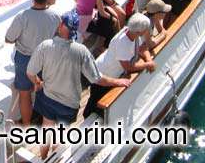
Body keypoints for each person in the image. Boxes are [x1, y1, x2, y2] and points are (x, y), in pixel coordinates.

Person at [27, 10, 130, 158]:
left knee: (46, 128)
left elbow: (30, 72)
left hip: (48, 97)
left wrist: (38, 83)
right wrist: (118, 81)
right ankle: (54, 158)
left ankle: (43, 158)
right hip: (68, 104)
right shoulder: (82, 51)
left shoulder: (45, 45)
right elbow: (96, 78)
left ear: (62, 25)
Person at [5, 0, 60, 125]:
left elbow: (8, 39)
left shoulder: (22, 16)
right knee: (46, 93)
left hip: (25, 59)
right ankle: (46, 123)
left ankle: (27, 125)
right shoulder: (55, 17)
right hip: (45, 59)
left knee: (24, 94)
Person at [84, 13, 155, 118]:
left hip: (111, 72)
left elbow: (142, 48)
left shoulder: (131, 32)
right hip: (104, 74)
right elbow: (128, 67)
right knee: (96, 99)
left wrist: (149, 60)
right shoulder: (123, 43)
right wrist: (147, 65)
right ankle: (88, 118)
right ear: (140, 31)